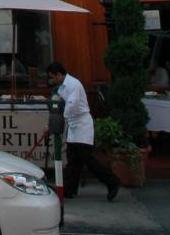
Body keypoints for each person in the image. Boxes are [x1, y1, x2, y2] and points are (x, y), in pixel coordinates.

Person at [47, 61, 120, 202]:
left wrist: (59, 119)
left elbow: (72, 106)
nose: (52, 80)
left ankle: (112, 181)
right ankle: (69, 189)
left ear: (59, 74)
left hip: (82, 124)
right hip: (73, 124)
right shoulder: (61, 87)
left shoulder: (73, 84)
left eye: (53, 77)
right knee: (73, 159)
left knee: (87, 159)